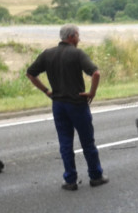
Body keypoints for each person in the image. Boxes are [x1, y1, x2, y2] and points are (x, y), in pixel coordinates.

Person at [26, 24, 108, 191]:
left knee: (65, 142)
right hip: (77, 103)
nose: (79, 39)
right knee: (87, 142)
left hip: (58, 104)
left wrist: (46, 91)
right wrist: (91, 92)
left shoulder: (47, 54)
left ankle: (70, 180)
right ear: (71, 37)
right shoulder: (77, 54)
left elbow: (30, 73)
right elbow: (96, 73)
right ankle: (95, 176)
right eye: (78, 36)